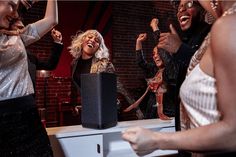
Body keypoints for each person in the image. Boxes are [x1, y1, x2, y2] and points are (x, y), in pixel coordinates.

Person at [122, 0, 236, 156]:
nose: (182, 9)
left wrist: (157, 140)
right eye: (179, 6)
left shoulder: (224, 27)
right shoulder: (200, 34)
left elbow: (232, 132)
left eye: (189, 4)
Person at [0, 0, 58, 156]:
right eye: (12, 5)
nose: (16, 13)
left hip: (27, 115)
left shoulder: (17, 37)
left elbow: (52, 20)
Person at [68, 29, 144, 120]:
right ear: (82, 40)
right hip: (90, 110)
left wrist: (137, 110)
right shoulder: (74, 63)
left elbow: (121, 88)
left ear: (98, 48)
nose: (92, 40)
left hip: (108, 110)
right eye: (90, 37)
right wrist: (73, 104)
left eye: (97, 41)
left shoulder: (104, 64)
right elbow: (74, 85)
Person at [124, 30, 172, 120]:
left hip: (168, 113)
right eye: (154, 54)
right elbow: (141, 62)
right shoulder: (154, 69)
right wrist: (138, 42)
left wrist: (154, 27)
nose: (155, 56)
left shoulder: (172, 70)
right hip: (151, 111)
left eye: (159, 53)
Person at [11, 19, 63, 88]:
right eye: (19, 28)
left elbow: (50, 65)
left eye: (23, 28)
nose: (22, 31)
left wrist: (57, 42)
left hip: (29, 97)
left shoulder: (29, 56)